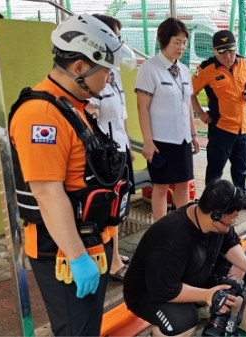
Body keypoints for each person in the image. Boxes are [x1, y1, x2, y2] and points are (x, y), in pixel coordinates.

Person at [8, 14, 125, 335]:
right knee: (76, 330)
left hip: (88, 239)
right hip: (64, 251)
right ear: (79, 68)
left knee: (86, 326)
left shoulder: (72, 106)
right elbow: (47, 193)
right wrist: (77, 258)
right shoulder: (41, 115)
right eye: (106, 71)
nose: (109, 79)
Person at [123, 179, 246, 336]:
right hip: (149, 292)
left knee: (233, 283)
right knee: (183, 322)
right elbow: (165, 290)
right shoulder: (172, 238)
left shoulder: (213, 221)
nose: (233, 222)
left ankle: (197, 304)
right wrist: (207, 295)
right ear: (215, 215)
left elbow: (231, 244)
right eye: (232, 218)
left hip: (184, 277)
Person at [86, 14, 136, 282]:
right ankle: (113, 261)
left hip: (119, 149)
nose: (117, 42)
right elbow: (89, 112)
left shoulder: (113, 73)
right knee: (110, 206)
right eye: (113, 36)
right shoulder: (91, 73)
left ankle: (114, 252)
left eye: (119, 36)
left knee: (121, 203)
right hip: (103, 156)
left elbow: (121, 114)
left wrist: (128, 145)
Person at [136, 18, 200, 221]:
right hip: (160, 140)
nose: (181, 47)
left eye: (183, 43)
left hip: (182, 138)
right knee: (161, 187)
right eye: (177, 42)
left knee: (183, 183)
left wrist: (193, 134)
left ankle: (183, 225)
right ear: (164, 40)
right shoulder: (149, 68)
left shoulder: (182, 69)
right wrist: (148, 140)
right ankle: (161, 228)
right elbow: (142, 107)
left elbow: (187, 103)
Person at [190, 30, 246, 211]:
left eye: (231, 51)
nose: (228, 56)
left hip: (242, 129)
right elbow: (189, 92)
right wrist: (200, 113)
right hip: (221, 129)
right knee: (215, 170)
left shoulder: (242, 62)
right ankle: (211, 203)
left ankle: (242, 198)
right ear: (214, 51)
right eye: (222, 52)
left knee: (241, 169)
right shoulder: (206, 69)